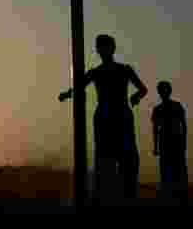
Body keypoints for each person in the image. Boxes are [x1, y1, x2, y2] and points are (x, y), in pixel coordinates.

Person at [59, 34, 148, 203]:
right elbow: (78, 87)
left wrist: (136, 97)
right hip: (105, 118)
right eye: (101, 47)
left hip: (120, 116)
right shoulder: (96, 72)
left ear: (112, 48)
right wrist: (67, 94)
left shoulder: (125, 70)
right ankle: (106, 197)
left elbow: (143, 89)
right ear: (98, 50)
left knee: (126, 159)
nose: (103, 50)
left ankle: (125, 197)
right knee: (105, 160)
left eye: (105, 46)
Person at [151, 81, 188, 203]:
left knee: (176, 170)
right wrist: (156, 146)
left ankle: (177, 195)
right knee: (168, 171)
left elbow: (183, 125)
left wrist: (183, 142)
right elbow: (155, 129)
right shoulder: (159, 109)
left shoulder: (174, 107)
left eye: (164, 90)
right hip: (167, 142)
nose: (163, 93)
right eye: (161, 90)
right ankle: (171, 195)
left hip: (174, 141)